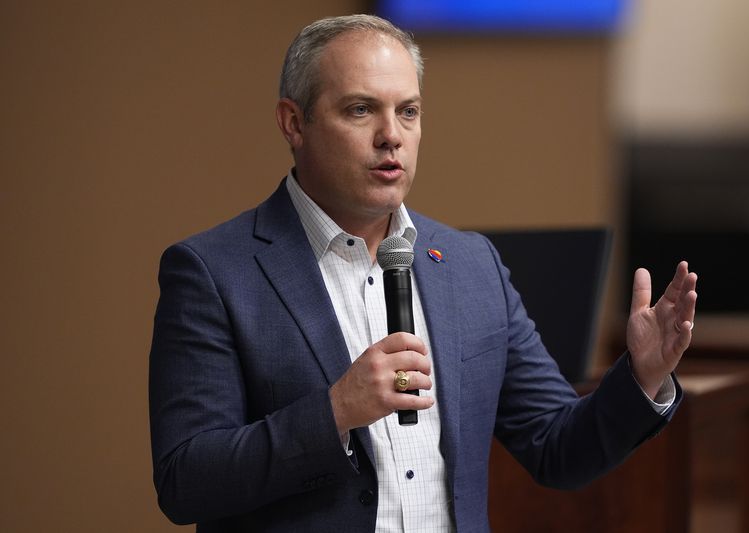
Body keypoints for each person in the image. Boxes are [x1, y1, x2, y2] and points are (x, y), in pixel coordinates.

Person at [149, 14, 698, 533]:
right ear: (294, 123)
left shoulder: (470, 264)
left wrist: (641, 377)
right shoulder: (213, 272)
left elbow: (557, 448)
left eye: (408, 111)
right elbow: (186, 481)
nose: (392, 135)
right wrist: (335, 412)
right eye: (361, 110)